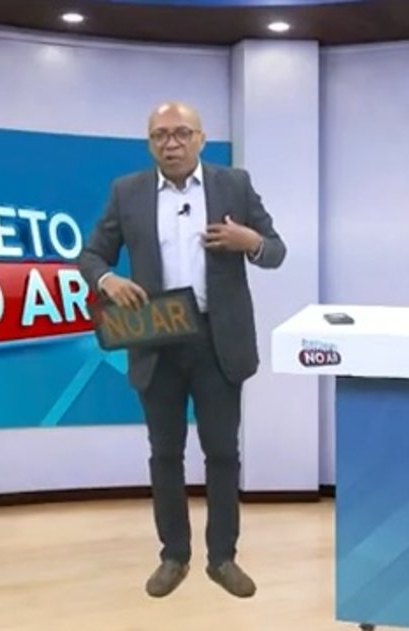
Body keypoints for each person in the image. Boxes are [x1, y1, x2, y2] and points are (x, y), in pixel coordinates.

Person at [77, 101, 286, 599]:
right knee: (165, 453)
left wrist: (248, 240)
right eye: (160, 136)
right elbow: (90, 254)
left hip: (218, 341)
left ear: (200, 138)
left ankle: (222, 558)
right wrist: (107, 280)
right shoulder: (126, 192)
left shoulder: (233, 185)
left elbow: (275, 251)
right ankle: (174, 555)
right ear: (150, 143)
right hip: (157, 337)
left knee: (222, 452)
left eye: (181, 133)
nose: (171, 143)